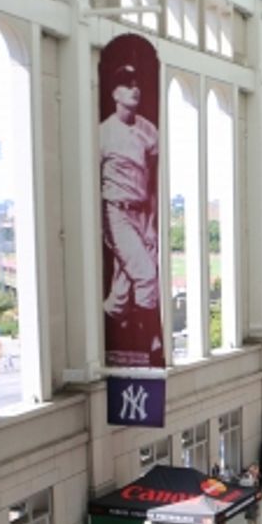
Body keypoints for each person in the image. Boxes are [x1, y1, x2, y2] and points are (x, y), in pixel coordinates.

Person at [99, 62, 162, 363]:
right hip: (116, 213)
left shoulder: (149, 130)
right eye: (126, 83)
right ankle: (149, 342)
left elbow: (152, 182)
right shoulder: (104, 133)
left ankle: (106, 323)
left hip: (141, 212)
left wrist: (151, 223)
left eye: (136, 82)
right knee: (147, 275)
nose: (134, 88)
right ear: (114, 92)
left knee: (122, 293)